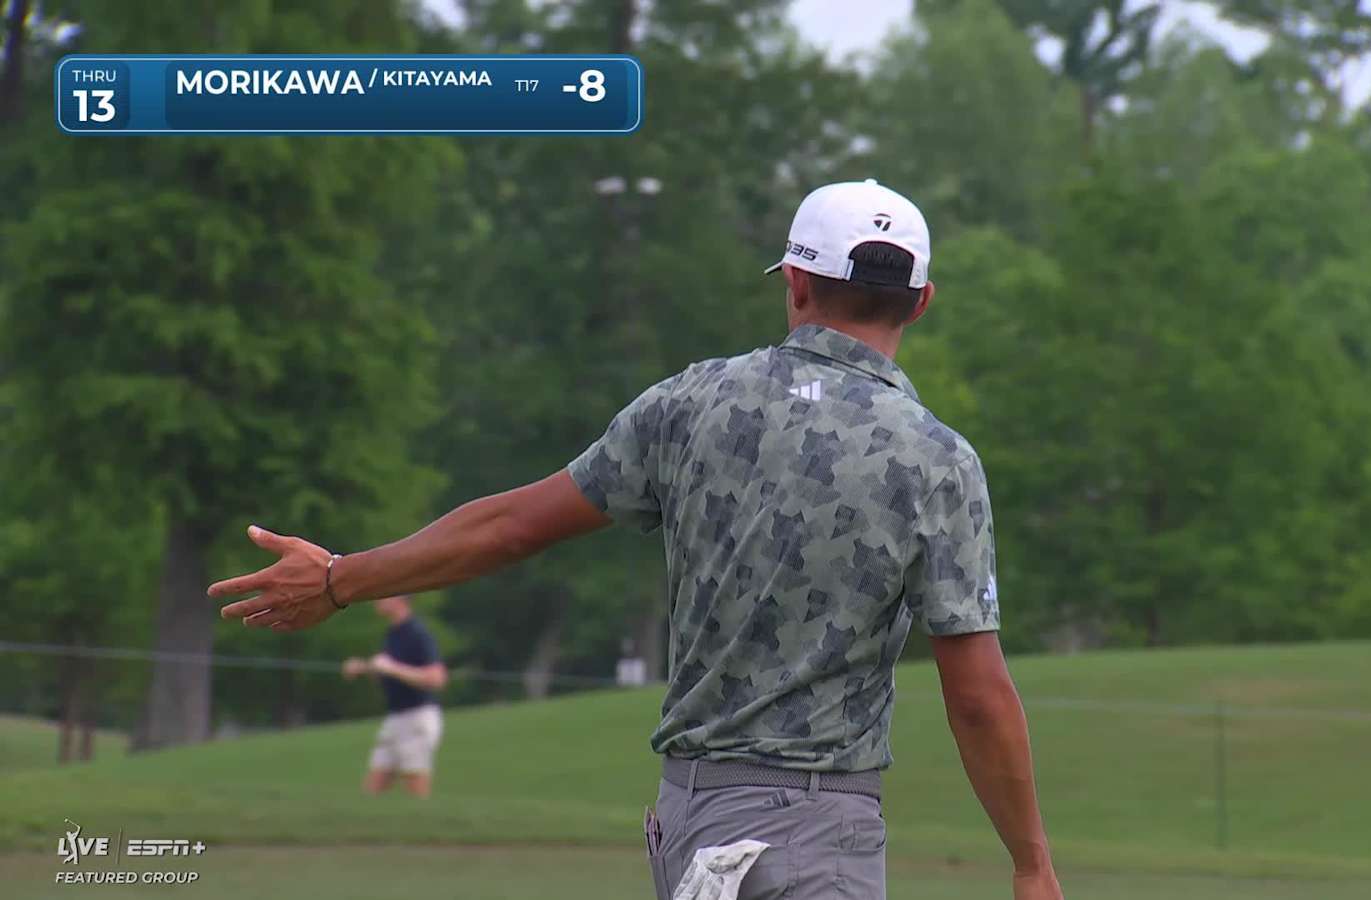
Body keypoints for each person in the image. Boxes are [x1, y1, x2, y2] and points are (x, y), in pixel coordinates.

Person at [209, 179, 1063, 900]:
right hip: (821, 835)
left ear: (797, 282)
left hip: (692, 827)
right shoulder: (939, 461)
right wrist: (1031, 864)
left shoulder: (692, 404)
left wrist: (339, 580)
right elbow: (978, 695)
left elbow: (509, 526)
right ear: (922, 300)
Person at [340, 594, 447, 797]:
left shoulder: (417, 632)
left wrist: (392, 669)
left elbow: (436, 678)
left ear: (400, 599)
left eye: (384, 597)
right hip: (396, 718)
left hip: (417, 718)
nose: (376, 600)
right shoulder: (394, 632)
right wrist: (363, 668)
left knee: (416, 788)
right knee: (374, 787)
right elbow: (388, 669)